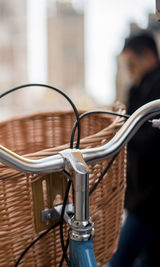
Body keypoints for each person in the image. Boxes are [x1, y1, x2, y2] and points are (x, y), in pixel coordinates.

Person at [110, 31, 160, 267]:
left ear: (148, 57)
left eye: (132, 65)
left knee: (119, 260)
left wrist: (121, 134)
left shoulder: (156, 87)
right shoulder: (137, 89)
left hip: (149, 200)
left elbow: (149, 140)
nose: (130, 72)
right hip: (141, 196)